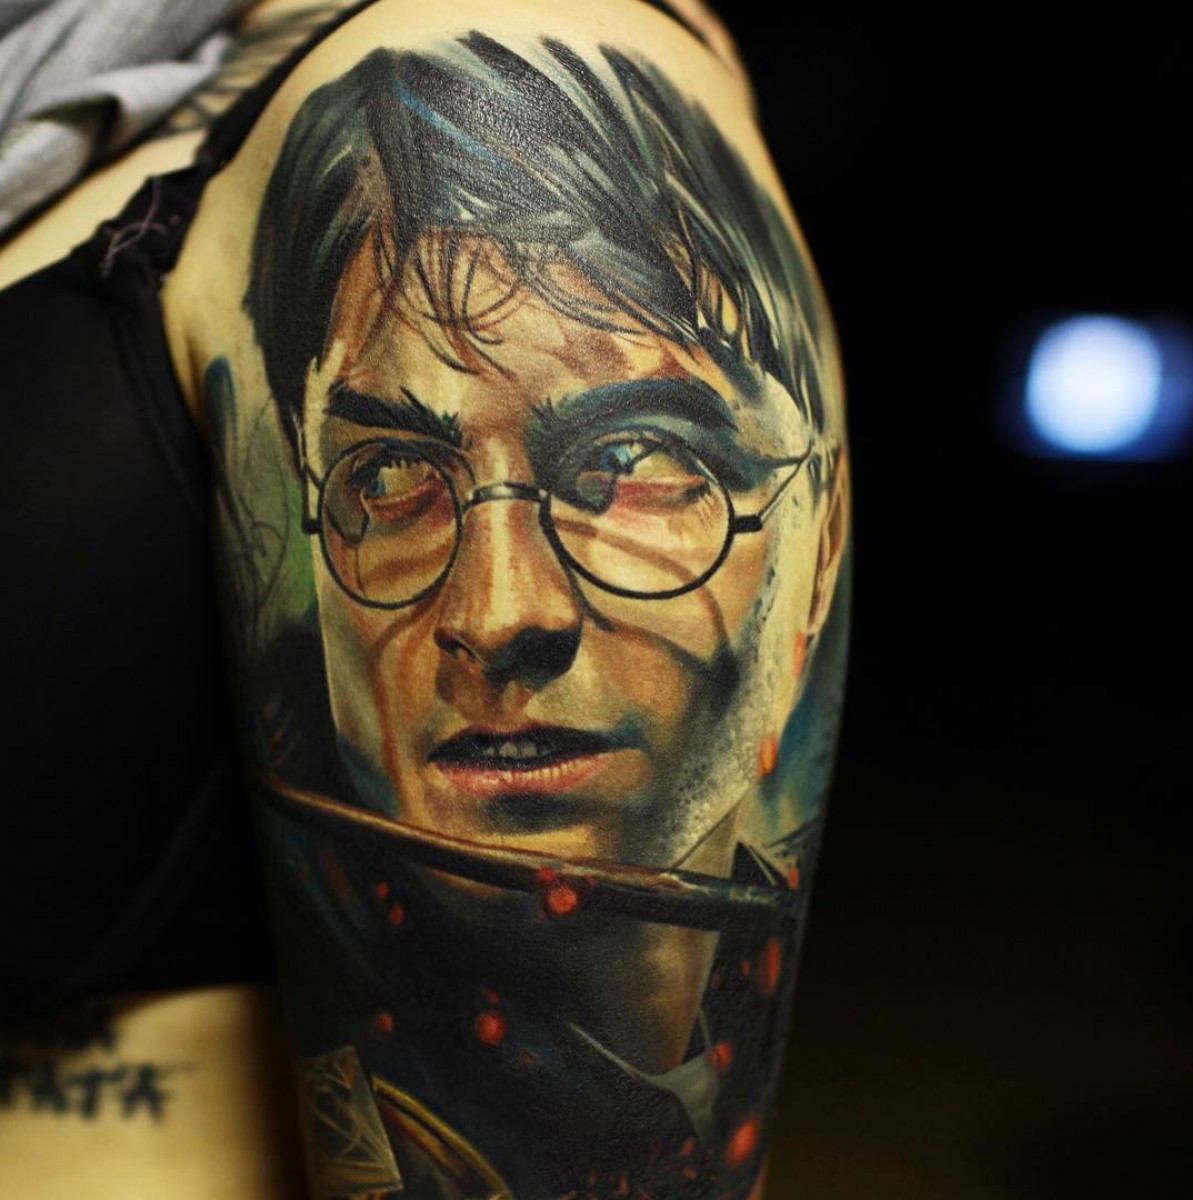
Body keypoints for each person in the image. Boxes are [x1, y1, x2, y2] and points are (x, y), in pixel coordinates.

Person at [0, 1, 847, 1196]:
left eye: (624, 462)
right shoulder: (100, 81)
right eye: (391, 476)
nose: (499, 614)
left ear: (818, 544)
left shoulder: (476, 62)